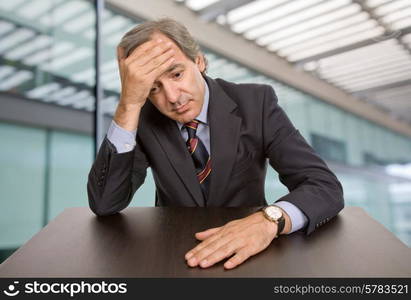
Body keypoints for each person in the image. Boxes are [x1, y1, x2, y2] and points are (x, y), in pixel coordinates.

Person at [87, 18, 344, 270]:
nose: (173, 97)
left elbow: (324, 186)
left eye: (176, 74)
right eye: (153, 88)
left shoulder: (257, 103)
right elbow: (105, 203)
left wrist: (269, 220)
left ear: (199, 61)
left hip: (251, 254)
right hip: (173, 255)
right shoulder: (140, 118)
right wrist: (129, 105)